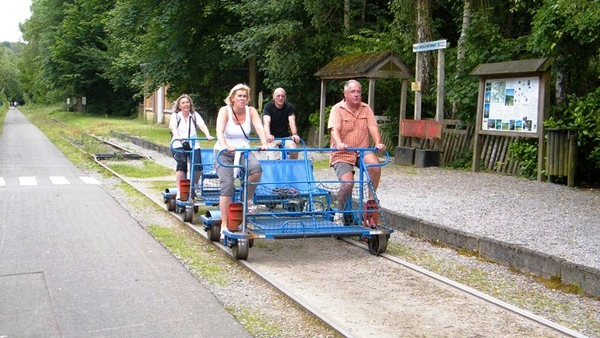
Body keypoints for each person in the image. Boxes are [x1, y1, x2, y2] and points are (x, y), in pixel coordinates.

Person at [327, 79, 386, 224]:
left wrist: (378, 143)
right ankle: (339, 212)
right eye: (353, 91)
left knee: (375, 166)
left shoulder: (366, 109)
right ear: (345, 94)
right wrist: (339, 143)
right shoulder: (337, 109)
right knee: (348, 183)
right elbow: (334, 129)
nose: (356, 94)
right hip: (342, 152)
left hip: (361, 150)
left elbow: (373, 127)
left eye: (359, 91)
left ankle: (370, 201)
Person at [214, 84, 268, 231]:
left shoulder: (251, 111)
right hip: (223, 152)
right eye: (239, 96)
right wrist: (225, 145)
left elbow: (259, 128)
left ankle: (246, 198)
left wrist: (264, 142)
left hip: (243, 150)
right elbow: (219, 130)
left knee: (256, 170)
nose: (242, 99)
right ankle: (224, 224)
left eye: (245, 96)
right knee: (228, 186)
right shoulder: (224, 111)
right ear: (232, 98)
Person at [169, 94, 213, 199]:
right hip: (178, 144)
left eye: (187, 102)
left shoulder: (194, 115)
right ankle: (180, 190)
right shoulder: (175, 116)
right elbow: (173, 127)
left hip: (193, 144)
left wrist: (207, 134)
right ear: (179, 106)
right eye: (183, 103)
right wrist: (177, 135)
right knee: (182, 166)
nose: (186, 104)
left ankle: (194, 187)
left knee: (198, 167)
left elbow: (202, 125)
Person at [262, 87, 300, 159]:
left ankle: (291, 167)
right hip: (272, 138)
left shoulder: (289, 107)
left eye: (282, 96)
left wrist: (294, 134)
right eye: (278, 96)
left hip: (285, 137)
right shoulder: (268, 107)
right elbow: (266, 122)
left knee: (294, 150)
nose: (280, 98)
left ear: (285, 97)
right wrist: (268, 135)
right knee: (273, 159)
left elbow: (292, 121)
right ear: (273, 97)